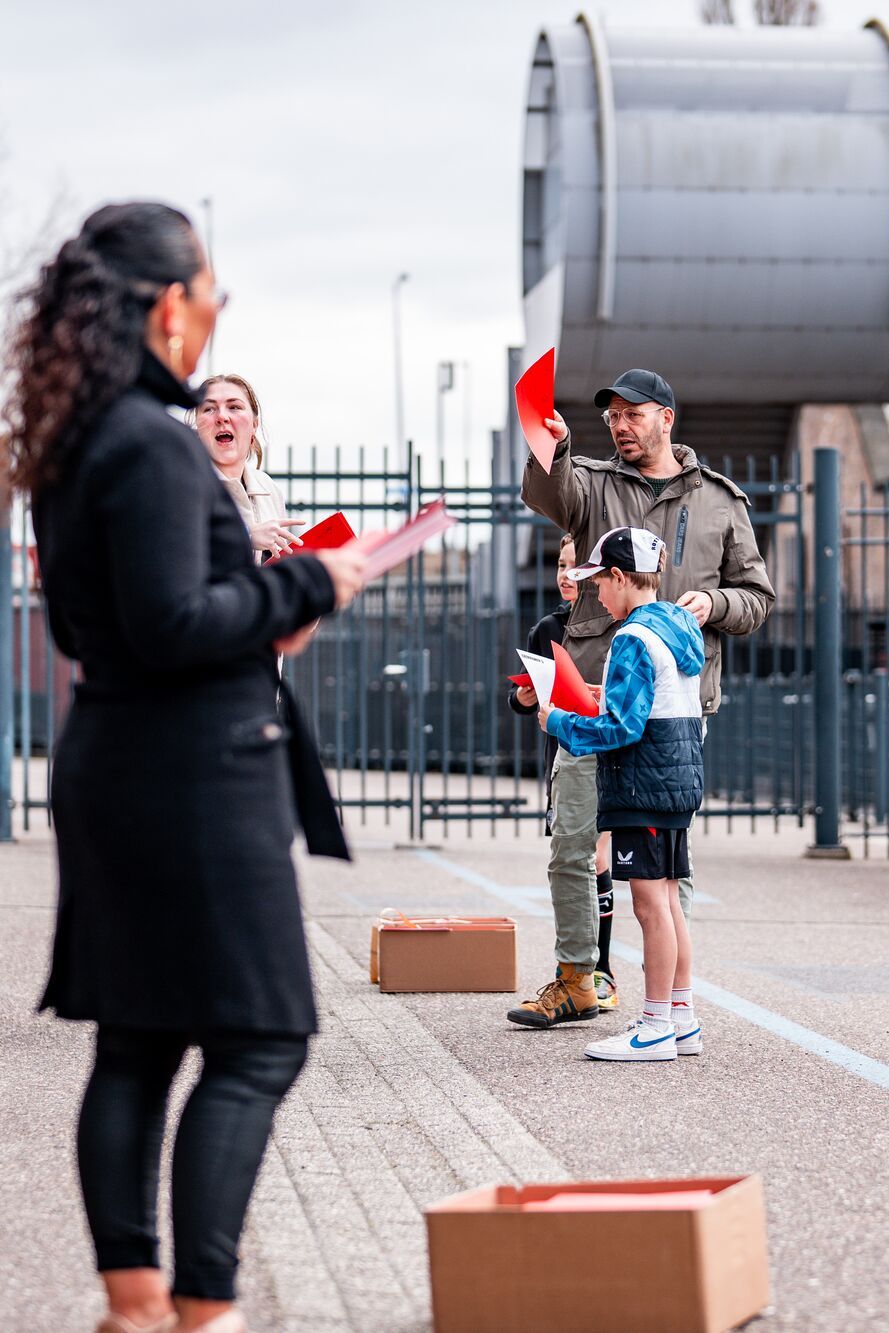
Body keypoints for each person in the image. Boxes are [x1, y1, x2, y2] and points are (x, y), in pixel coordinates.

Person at [2, 201, 366, 1333]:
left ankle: (136, 1305)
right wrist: (315, 583)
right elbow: (173, 619)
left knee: (141, 1039)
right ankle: (202, 1309)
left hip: (120, 757)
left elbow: (110, 624)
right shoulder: (150, 440)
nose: (214, 316)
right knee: (263, 1037)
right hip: (192, 774)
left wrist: (269, 596)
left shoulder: (80, 433)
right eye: (211, 295)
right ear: (170, 306)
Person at [519, 367, 775, 1031]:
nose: (619, 426)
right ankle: (578, 977)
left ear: (666, 416)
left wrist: (713, 602)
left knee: (663, 867)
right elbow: (550, 495)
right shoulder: (593, 484)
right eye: (611, 417)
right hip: (592, 694)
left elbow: (756, 599)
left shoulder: (720, 500)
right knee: (574, 843)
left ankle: (667, 999)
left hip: (674, 712)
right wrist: (551, 446)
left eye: (632, 414)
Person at [538, 527, 704, 1062]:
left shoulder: (631, 638)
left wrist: (558, 720)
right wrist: (600, 695)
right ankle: (681, 1016)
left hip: (641, 784)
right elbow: (652, 699)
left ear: (618, 576)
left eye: (599, 584)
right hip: (676, 780)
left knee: (650, 904)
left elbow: (623, 729)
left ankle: (654, 1025)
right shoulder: (676, 625)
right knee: (671, 900)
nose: (596, 597)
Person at [506, 534, 617, 1022]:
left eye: (575, 566)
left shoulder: (618, 626)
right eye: (559, 564)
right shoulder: (546, 627)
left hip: (607, 750)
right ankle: (581, 974)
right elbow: (525, 694)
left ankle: (599, 972)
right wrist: (524, 700)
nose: (564, 574)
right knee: (574, 858)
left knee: (595, 856)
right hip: (563, 750)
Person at [193, 374, 305, 562]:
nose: (222, 416)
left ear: (254, 425)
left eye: (234, 407)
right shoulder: (181, 483)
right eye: (209, 409)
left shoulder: (268, 488)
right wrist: (246, 536)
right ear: (197, 425)